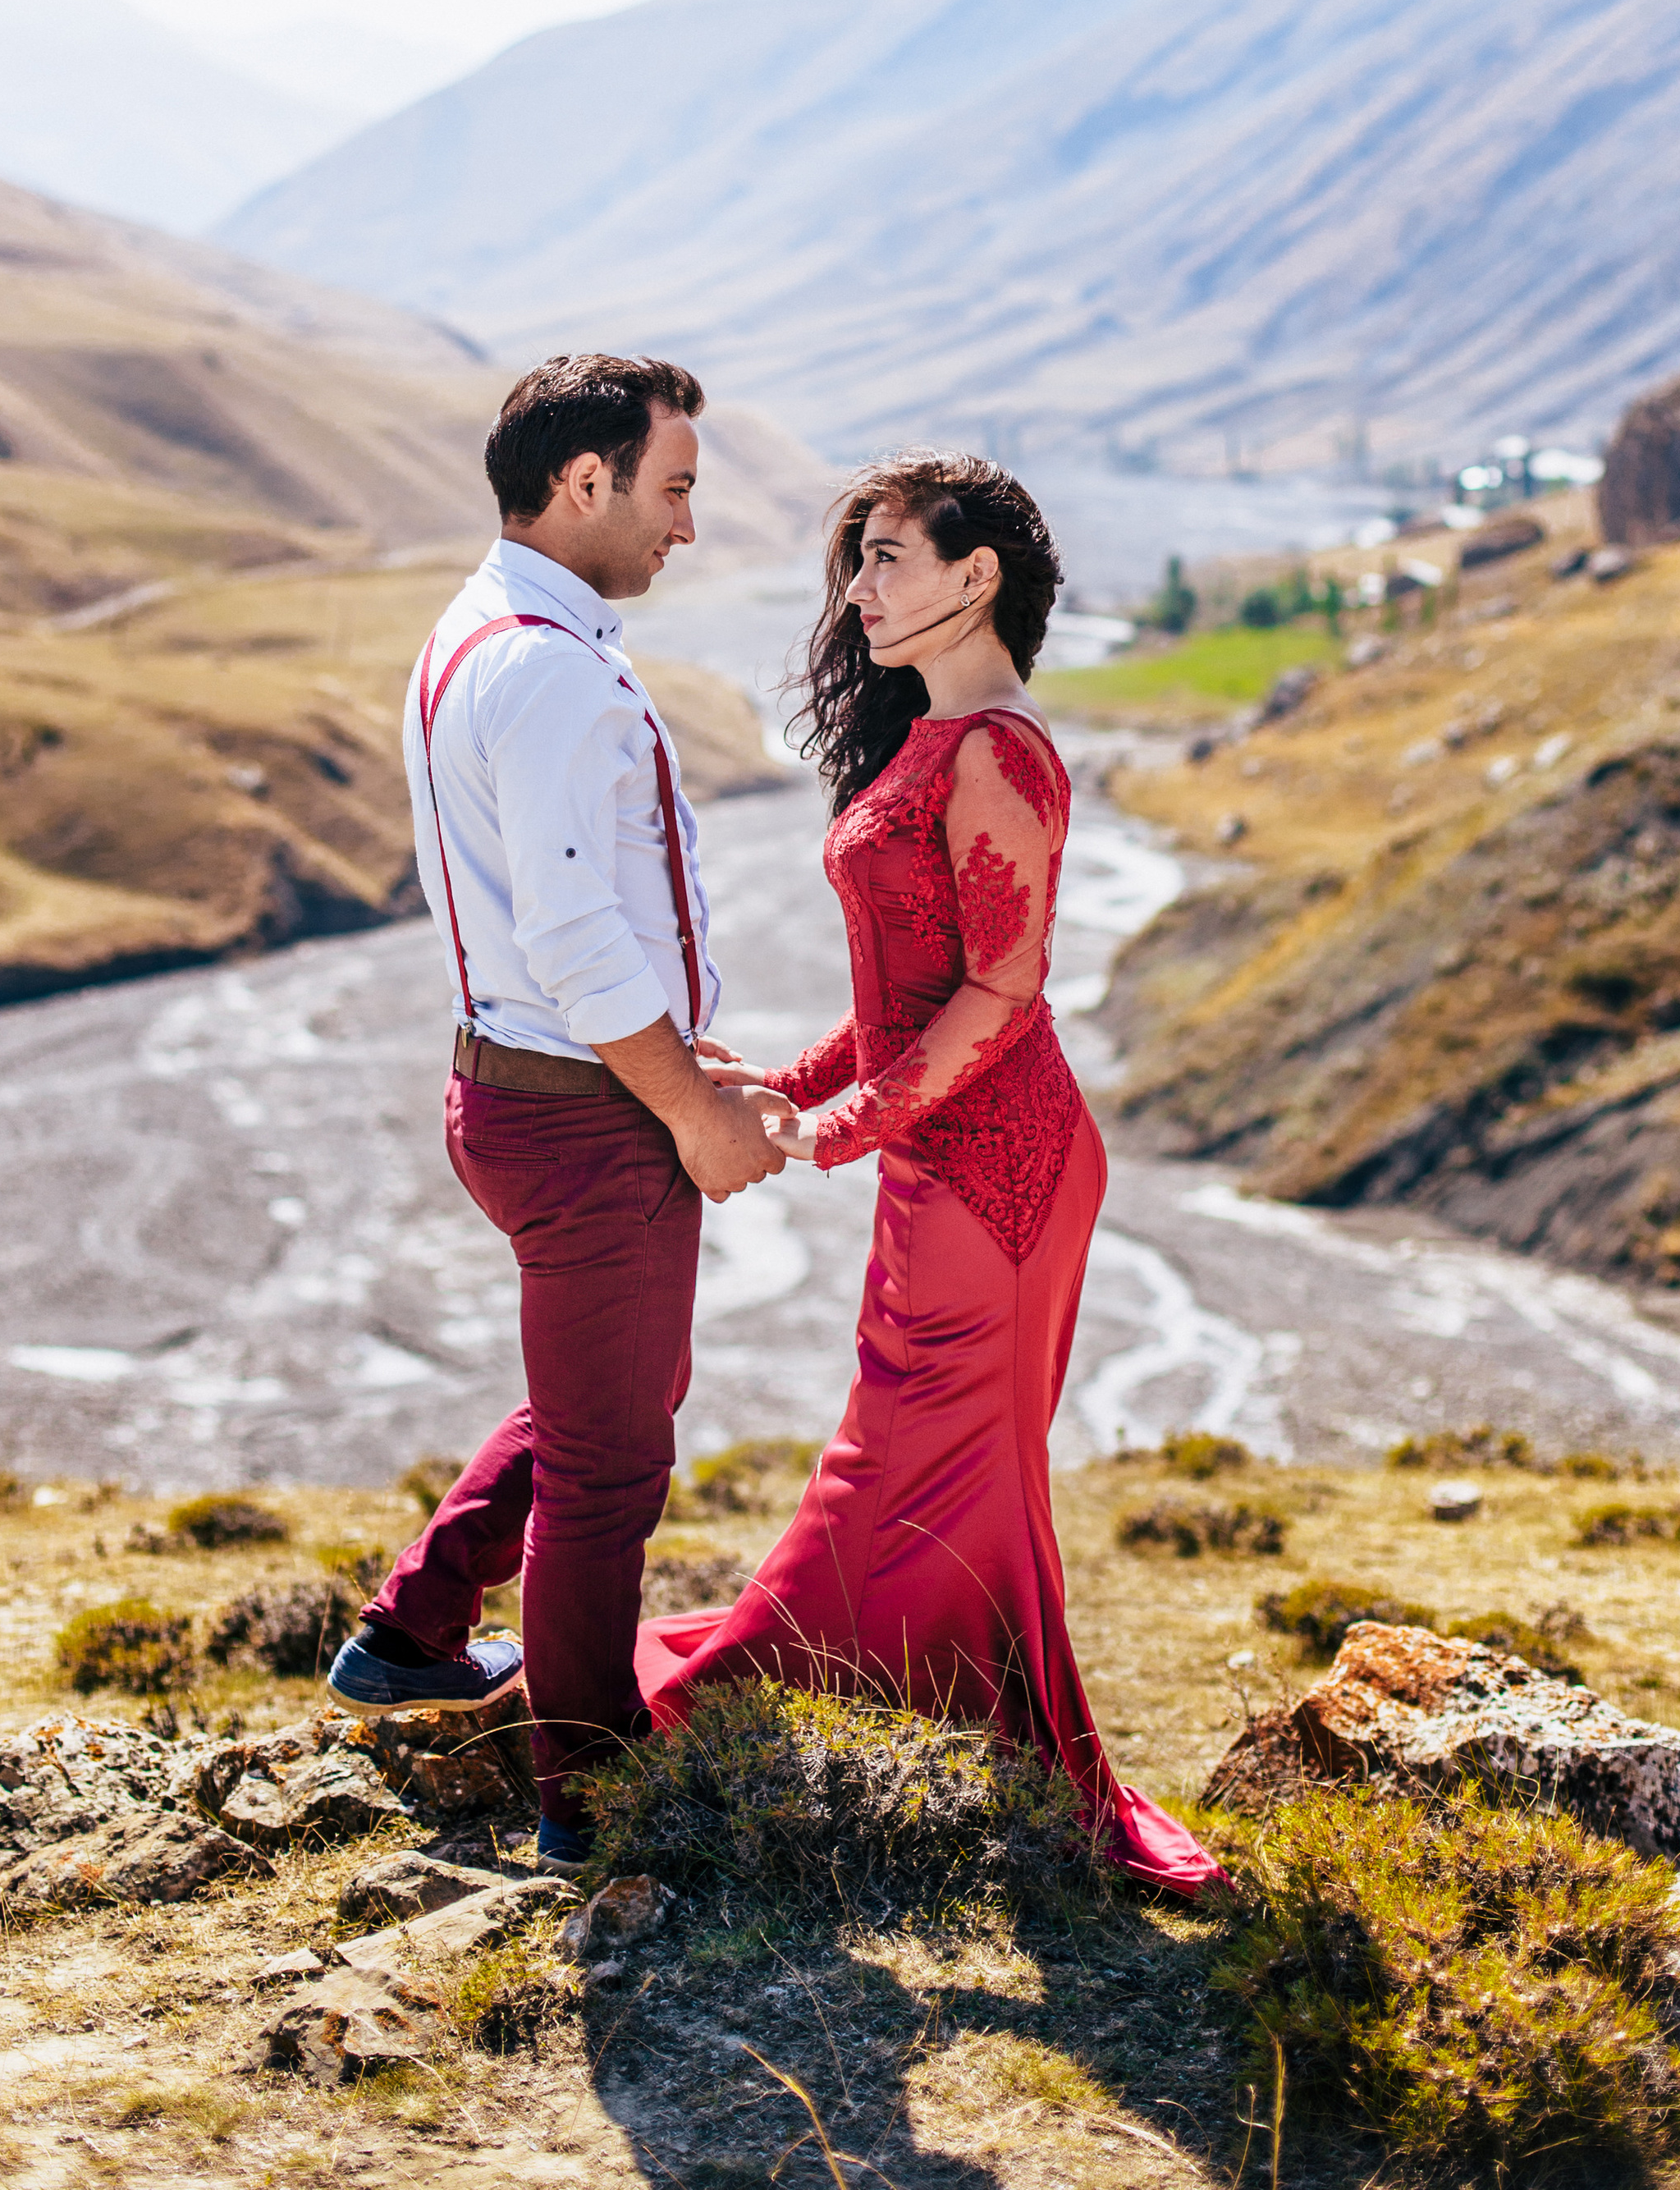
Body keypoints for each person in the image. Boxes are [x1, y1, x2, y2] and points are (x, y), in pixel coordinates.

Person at [638, 452, 1224, 1897]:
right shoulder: (926, 738)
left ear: (978, 578)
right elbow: (913, 997)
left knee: (906, 1462)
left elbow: (1002, 994)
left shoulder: (1001, 756)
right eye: (857, 561)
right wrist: (793, 1081)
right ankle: (930, 1721)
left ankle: (785, 1702)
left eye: (887, 558)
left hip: (1003, 1171)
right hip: (938, 1148)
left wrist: (838, 1131)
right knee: (920, 1463)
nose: (859, 589)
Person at [327, 352, 795, 1872]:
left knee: (596, 1395)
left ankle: (412, 1628)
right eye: (672, 490)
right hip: (586, 1112)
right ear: (584, 482)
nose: (687, 527)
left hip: (536, 1090)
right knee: (611, 1467)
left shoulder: (488, 627)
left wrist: (672, 1069)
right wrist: (692, 1111)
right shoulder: (542, 666)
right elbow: (579, 943)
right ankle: (585, 1797)